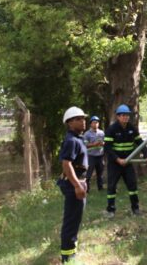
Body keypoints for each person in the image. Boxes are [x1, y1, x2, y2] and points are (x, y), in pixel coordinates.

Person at [104, 103, 147, 217]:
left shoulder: (132, 128)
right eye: (123, 115)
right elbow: (107, 148)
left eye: (127, 115)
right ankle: (111, 210)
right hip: (115, 164)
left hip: (128, 163)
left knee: (132, 186)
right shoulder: (111, 129)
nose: (125, 117)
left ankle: (135, 209)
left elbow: (140, 143)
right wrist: (117, 159)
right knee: (112, 186)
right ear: (118, 116)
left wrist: (146, 155)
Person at [57, 106, 89, 263]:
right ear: (69, 123)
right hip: (72, 185)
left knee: (76, 219)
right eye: (78, 119)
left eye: (83, 118)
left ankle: (71, 250)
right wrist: (77, 185)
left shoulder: (78, 138)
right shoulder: (71, 140)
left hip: (77, 182)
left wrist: (83, 182)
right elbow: (66, 164)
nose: (82, 121)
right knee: (71, 220)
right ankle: (67, 256)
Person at [83, 116, 105, 191]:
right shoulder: (87, 134)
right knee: (89, 174)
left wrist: (103, 143)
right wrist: (94, 144)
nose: (96, 124)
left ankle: (100, 188)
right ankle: (87, 189)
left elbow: (105, 142)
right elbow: (85, 144)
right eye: (94, 122)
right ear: (90, 124)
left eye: (97, 122)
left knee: (100, 173)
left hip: (100, 156)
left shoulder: (101, 133)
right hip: (91, 156)